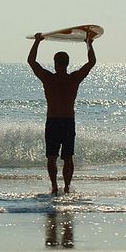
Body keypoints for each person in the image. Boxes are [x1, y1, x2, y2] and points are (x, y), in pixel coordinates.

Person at [27, 32, 96, 195]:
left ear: (55, 63)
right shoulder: (74, 78)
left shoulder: (48, 78)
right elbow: (91, 62)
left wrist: (37, 41)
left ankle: (54, 186)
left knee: (51, 157)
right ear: (67, 63)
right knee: (68, 158)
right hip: (68, 122)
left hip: (52, 122)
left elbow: (31, 61)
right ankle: (66, 187)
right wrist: (88, 43)